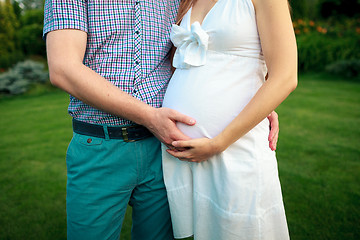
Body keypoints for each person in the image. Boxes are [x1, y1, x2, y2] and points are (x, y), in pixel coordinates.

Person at [43, 0, 280, 239]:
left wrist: (253, 102)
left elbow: (193, 53)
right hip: (101, 146)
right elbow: (63, 69)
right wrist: (150, 117)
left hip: (164, 152)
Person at [161, 0, 297, 239]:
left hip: (235, 145)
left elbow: (285, 77)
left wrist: (219, 142)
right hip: (184, 154)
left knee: (240, 230)